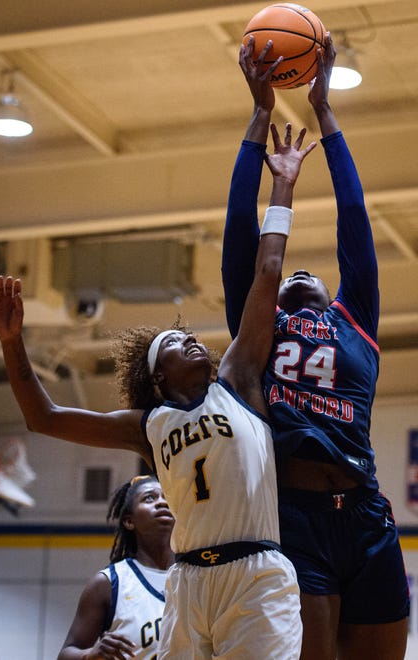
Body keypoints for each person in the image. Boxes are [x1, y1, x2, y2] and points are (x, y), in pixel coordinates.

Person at [0, 80, 316, 657]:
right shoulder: (149, 424)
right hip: (188, 583)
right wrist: (13, 343)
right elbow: (44, 417)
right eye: (173, 340)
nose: (190, 341)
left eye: (190, 336)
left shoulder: (237, 380)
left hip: (255, 574)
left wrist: (282, 178)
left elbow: (268, 274)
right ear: (157, 375)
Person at [222, 33, 410, 660]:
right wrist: (259, 118)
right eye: (288, 274)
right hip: (293, 517)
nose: (298, 273)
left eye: (313, 274)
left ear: (334, 291)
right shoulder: (258, 326)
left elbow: (354, 217)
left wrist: (325, 113)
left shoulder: (355, 319)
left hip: (366, 513)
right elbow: (238, 234)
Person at [57, 474, 175, 660]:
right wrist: (90, 654)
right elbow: (65, 654)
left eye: (168, 496)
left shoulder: (198, 575)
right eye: (149, 498)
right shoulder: (108, 583)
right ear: (129, 521)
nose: (162, 502)